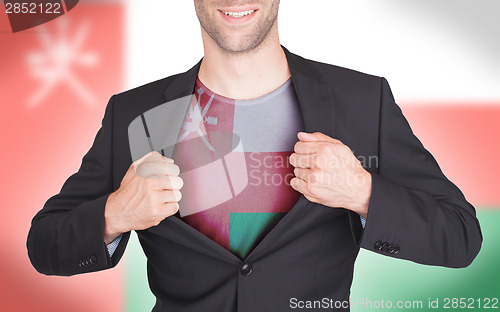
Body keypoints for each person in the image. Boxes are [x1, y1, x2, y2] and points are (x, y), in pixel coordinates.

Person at [27, 1, 482, 311]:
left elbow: (460, 237)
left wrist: (363, 192)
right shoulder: (135, 113)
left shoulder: (363, 101)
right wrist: (114, 214)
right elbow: (44, 245)